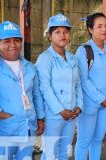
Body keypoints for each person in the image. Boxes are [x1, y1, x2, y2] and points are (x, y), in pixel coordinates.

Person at [0, 21, 45, 160]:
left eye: (17, 40)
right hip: (2, 127)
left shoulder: (30, 67)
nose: (13, 45)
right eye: (7, 41)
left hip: (26, 126)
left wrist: (40, 118)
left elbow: (36, 95)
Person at [35, 13, 83, 160]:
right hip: (54, 115)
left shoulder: (72, 58)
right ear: (50, 36)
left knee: (65, 151)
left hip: (71, 113)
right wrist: (61, 110)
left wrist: (79, 106)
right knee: (50, 153)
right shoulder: (45, 59)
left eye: (66, 32)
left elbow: (78, 85)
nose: (62, 35)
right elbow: (45, 88)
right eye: (57, 32)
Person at [74, 12, 106, 160]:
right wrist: (101, 99)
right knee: (83, 141)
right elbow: (84, 80)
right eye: (99, 26)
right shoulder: (84, 51)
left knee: (97, 140)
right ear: (90, 29)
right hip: (89, 104)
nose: (104, 30)